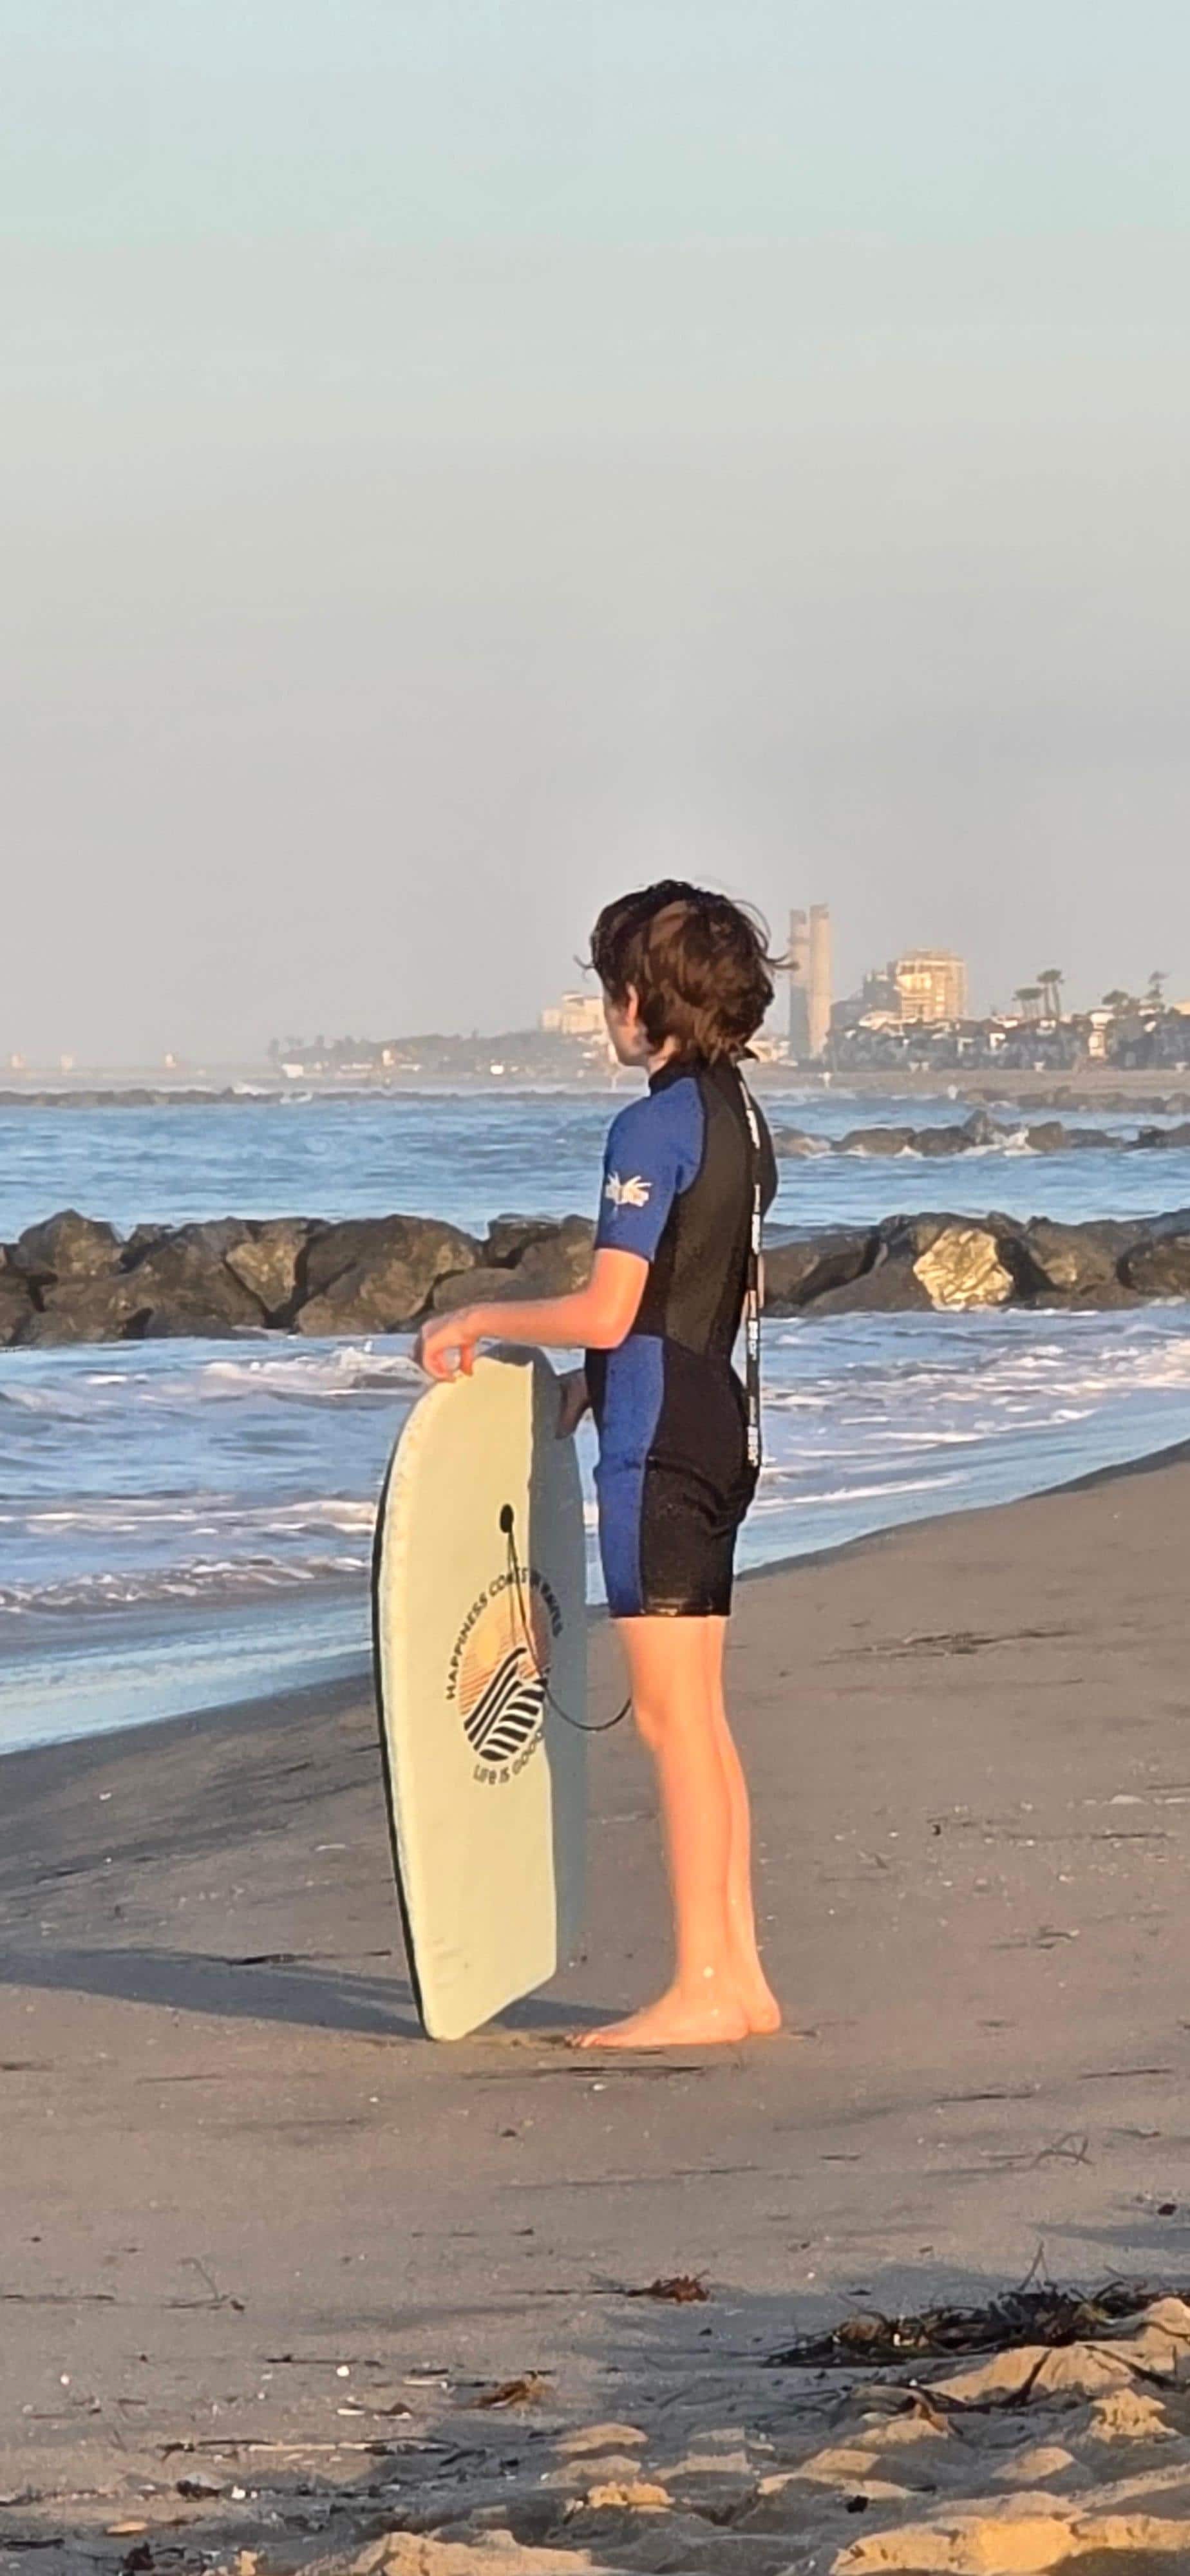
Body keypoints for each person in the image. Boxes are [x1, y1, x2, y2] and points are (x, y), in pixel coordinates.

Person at [414, 881, 781, 2049]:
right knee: (705, 1723)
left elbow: (618, 1302)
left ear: (639, 1002)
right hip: (721, 1424)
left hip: (661, 1452)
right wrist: (591, 1388)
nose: (607, 1011)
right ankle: (742, 1977)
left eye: (609, 987)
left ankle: (706, 1987)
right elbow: (702, 1292)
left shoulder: (650, 1124)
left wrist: (481, 1319)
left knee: (673, 1728)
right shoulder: (741, 1115)